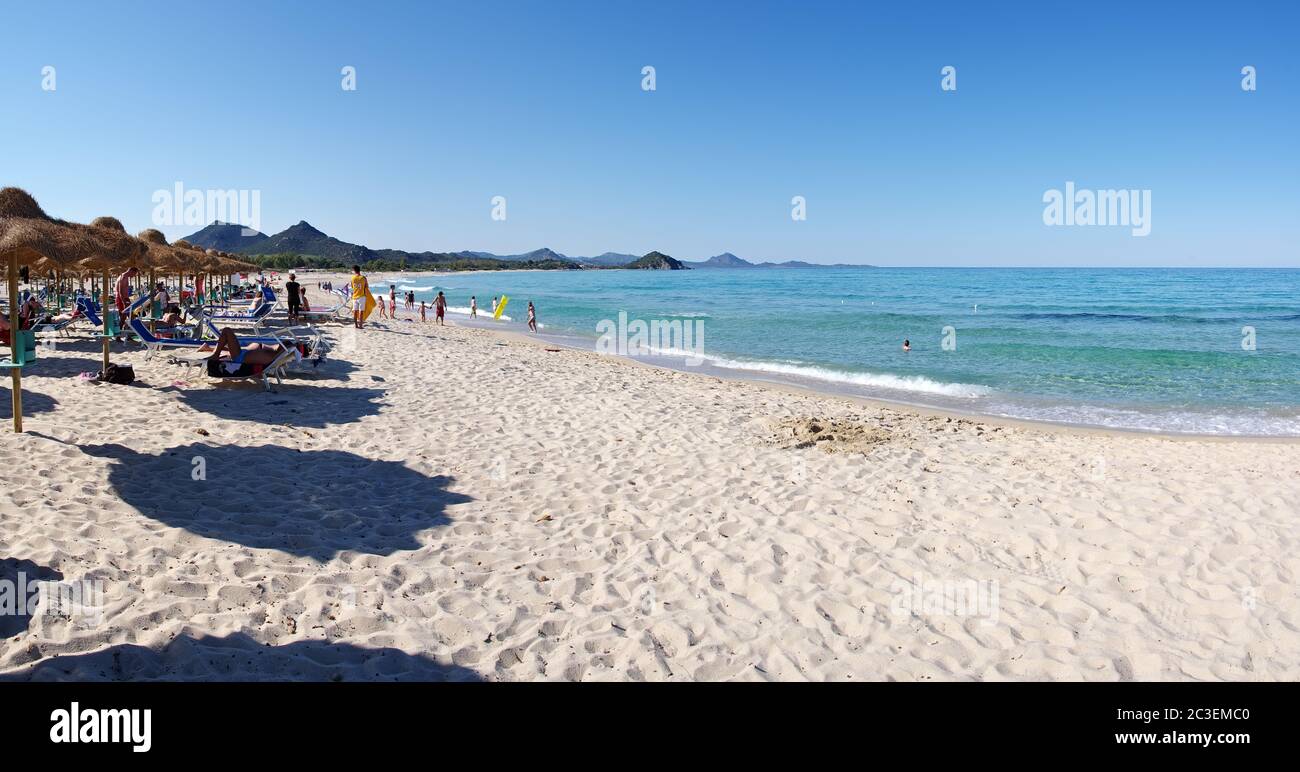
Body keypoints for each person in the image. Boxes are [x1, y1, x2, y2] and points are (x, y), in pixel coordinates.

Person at [206, 327, 285, 376]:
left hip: (240, 356)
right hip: (246, 351)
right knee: (225, 343)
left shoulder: (271, 356)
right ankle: (210, 349)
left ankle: (215, 354)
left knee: (227, 331)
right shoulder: (276, 352)